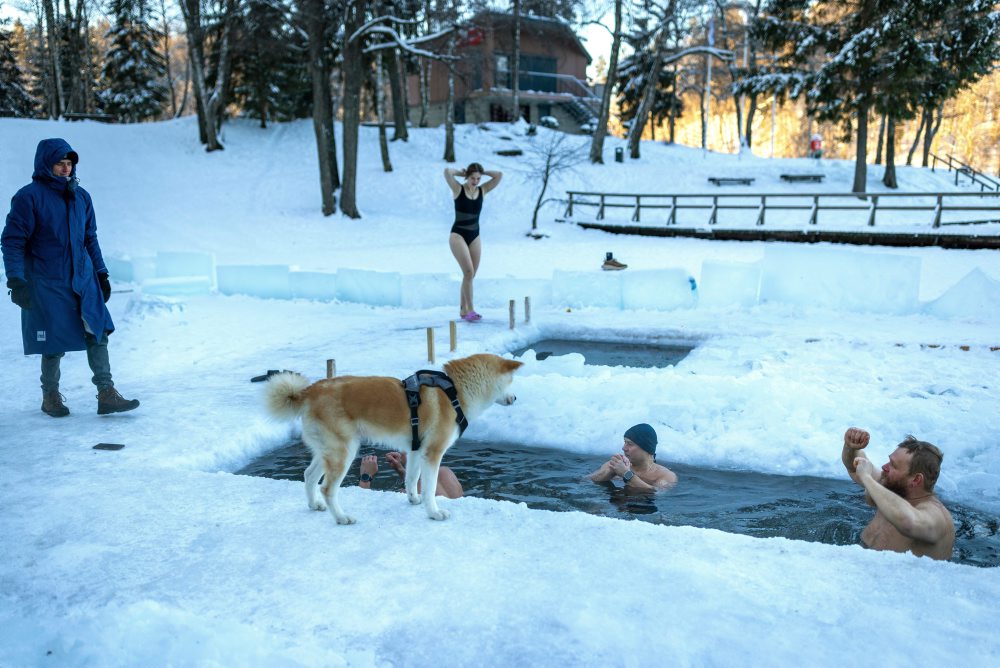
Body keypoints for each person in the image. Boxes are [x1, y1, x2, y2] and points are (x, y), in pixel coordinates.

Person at [2, 138, 139, 417]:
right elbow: (12, 241)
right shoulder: (29, 197)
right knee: (53, 341)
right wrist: (16, 280)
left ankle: (106, 393)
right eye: (59, 164)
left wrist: (101, 273)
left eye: (69, 164)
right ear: (46, 164)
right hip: (47, 281)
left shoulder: (82, 197)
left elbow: (90, 239)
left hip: (84, 279)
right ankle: (50, 396)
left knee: (97, 332)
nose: (66, 169)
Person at [841, 427, 954, 561]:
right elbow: (854, 467)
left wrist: (867, 478)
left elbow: (908, 523)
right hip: (862, 562)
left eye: (893, 465)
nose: (884, 466)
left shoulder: (936, 517)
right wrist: (850, 447)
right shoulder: (892, 487)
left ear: (916, 479)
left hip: (898, 579)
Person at [443, 162, 502, 322]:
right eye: (472, 178)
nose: (475, 181)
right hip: (458, 235)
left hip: (475, 236)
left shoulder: (482, 190)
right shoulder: (458, 189)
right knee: (468, 272)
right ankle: (470, 310)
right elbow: (447, 171)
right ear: (467, 177)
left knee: (470, 275)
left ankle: (463, 309)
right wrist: (460, 174)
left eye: (478, 178)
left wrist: (483, 171)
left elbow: (499, 175)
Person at [589, 423, 677, 493]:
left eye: (630, 444)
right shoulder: (615, 464)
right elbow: (585, 481)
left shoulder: (665, 475)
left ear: (646, 448)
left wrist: (626, 474)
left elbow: (657, 493)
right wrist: (608, 472)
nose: (624, 448)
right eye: (624, 442)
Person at [358, 452, 464, 499]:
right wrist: (401, 470)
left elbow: (363, 509)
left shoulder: (407, 496)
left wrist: (366, 477)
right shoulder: (446, 473)